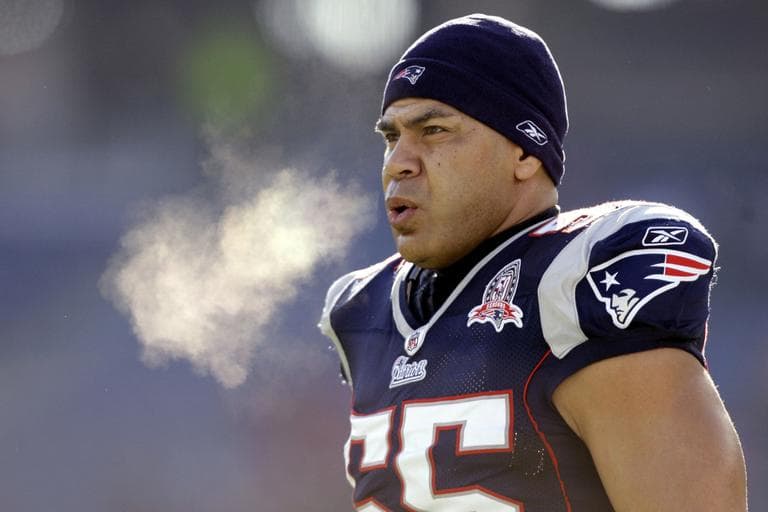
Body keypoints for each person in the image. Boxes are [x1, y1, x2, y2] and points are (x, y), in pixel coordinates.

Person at [319, 13, 747, 512]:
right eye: (391, 137)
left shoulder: (581, 279)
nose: (398, 162)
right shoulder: (363, 314)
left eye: (433, 130)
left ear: (524, 152)